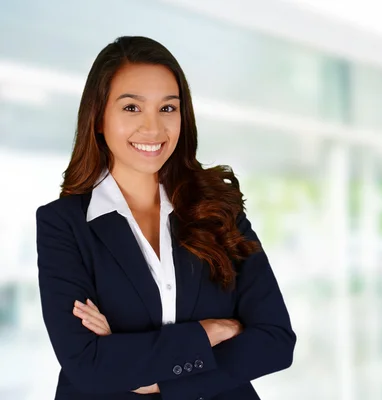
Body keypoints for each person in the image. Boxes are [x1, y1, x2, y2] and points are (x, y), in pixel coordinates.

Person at [35, 36, 296, 400]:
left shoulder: (220, 209)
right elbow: (89, 365)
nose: (153, 128)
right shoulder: (62, 225)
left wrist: (151, 373)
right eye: (131, 108)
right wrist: (208, 333)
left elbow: (275, 341)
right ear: (98, 117)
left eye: (168, 108)